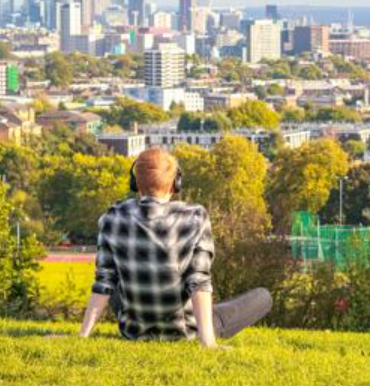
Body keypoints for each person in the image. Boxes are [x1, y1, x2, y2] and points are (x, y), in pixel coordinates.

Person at [78, 147, 272, 346]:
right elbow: (198, 282)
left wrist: (82, 336)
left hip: (134, 330)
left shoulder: (113, 216)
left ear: (135, 183)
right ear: (175, 184)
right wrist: (209, 343)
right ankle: (206, 327)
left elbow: (104, 282)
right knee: (263, 297)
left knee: (114, 278)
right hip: (184, 330)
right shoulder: (194, 216)